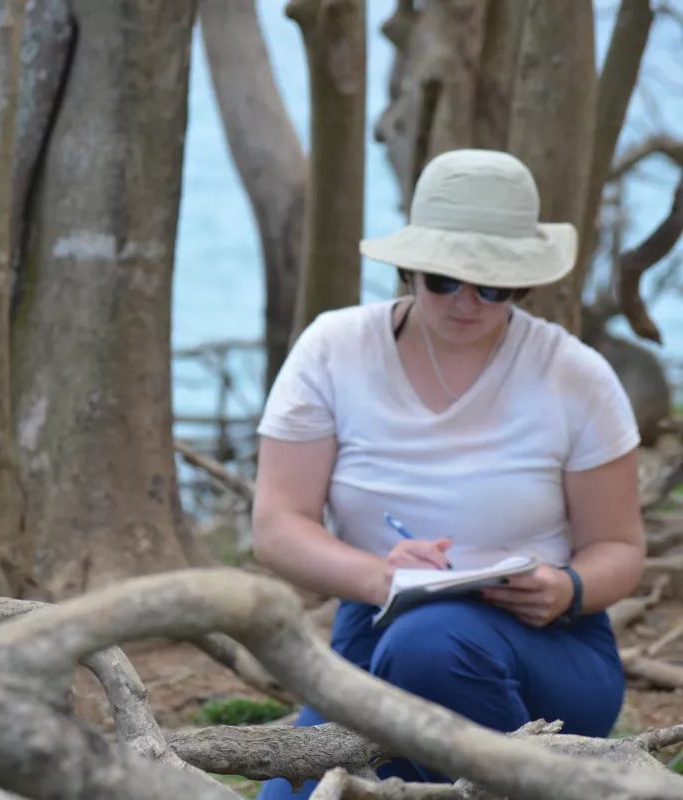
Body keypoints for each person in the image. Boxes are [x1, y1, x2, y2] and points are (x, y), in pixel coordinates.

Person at [251, 148, 646, 798]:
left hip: (546, 649)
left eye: (493, 286)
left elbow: (622, 549)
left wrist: (566, 588)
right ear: (410, 268)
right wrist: (385, 576)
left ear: (524, 282)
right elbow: (277, 524)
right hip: (373, 629)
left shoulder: (575, 375)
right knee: (298, 788)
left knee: (432, 643)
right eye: (443, 280)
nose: (466, 302)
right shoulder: (333, 348)